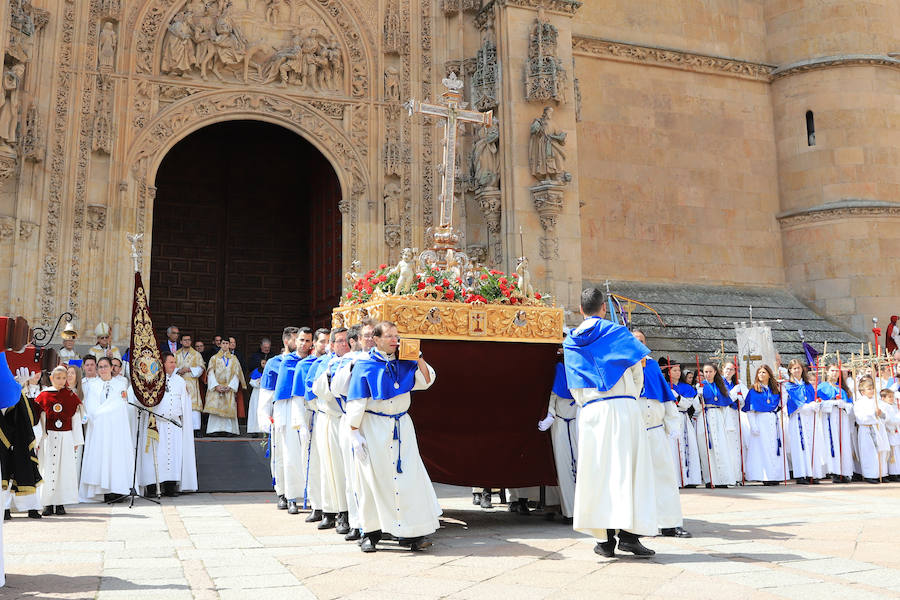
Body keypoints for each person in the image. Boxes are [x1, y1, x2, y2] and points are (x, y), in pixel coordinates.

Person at [563, 288, 656, 558]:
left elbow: (574, 386)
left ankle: (604, 542)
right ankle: (629, 536)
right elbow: (637, 372)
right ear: (604, 307)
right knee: (631, 471)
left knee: (598, 473)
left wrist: (591, 403)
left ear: (581, 310)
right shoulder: (618, 333)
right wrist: (628, 398)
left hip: (593, 411)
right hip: (625, 407)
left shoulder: (571, 341)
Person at [346, 321, 438, 553]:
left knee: (408, 480)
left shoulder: (405, 362)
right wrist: (354, 433)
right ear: (376, 340)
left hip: (401, 427)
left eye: (396, 336)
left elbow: (426, 381)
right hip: (374, 427)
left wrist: (418, 357)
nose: (394, 340)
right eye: (389, 336)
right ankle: (371, 533)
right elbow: (356, 401)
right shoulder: (363, 365)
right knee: (372, 481)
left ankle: (411, 533)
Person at [633, 332, 689, 538]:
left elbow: (665, 396)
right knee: (636, 479)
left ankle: (670, 523)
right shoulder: (623, 364)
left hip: (655, 430)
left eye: (642, 341)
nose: (638, 343)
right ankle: (636, 526)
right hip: (635, 432)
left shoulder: (653, 366)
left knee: (664, 477)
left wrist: (673, 424)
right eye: (634, 341)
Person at [330, 320, 376, 541]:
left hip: (377, 422)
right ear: (356, 340)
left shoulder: (381, 358)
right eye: (365, 336)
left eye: (372, 335)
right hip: (352, 420)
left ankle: (376, 523)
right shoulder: (348, 360)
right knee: (352, 474)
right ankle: (357, 523)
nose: (369, 339)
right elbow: (336, 389)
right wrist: (351, 367)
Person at [138, 353, 197, 497]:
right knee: (155, 456)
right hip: (157, 424)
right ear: (162, 364)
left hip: (174, 424)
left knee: (173, 455)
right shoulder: (153, 380)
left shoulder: (180, 381)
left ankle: (170, 487)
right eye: (170, 362)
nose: (173, 364)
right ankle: (152, 487)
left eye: (174, 362)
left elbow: (184, 401)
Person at [311, 327, 352, 533]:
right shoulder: (326, 363)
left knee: (347, 470)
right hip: (329, 418)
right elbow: (317, 390)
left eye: (347, 341)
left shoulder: (356, 360)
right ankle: (330, 511)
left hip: (349, 420)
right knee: (329, 468)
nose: (343, 345)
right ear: (332, 345)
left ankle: (347, 513)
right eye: (339, 341)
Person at [79, 357, 136, 502]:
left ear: (112, 368)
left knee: (116, 458)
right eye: (100, 367)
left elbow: (120, 404)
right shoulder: (93, 385)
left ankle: (118, 489)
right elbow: (90, 406)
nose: (103, 369)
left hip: (116, 428)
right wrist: (97, 416)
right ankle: (102, 491)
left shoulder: (121, 383)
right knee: (101, 458)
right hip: (99, 427)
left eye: (105, 366)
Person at [35, 366, 84, 515]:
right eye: (58, 378)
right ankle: (47, 504)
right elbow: (40, 419)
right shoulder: (44, 395)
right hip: (49, 437)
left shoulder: (70, 395)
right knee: (47, 469)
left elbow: (76, 419)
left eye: (64, 378)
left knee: (64, 470)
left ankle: (61, 503)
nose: (61, 381)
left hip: (66, 437)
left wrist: (76, 441)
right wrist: (39, 438)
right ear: (51, 378)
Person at [294, 328, 329, 522]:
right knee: (312, 462)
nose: (325, 345)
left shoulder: (334, 362)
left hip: (330, 416)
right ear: (314, 344)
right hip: (311, 415)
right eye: (321, 341)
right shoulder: (304, 365)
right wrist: (301, 424)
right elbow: (299, 397)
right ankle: (316, 505)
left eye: (327, 341)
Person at [257, 328, 293, 511]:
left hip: (302, 413)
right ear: (287, 341)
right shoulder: (274, 363)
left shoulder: (308, 361)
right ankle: (282, 492)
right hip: (281, 412)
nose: (303, 344)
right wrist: (265, 418)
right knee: (281, 455)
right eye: (298, 340)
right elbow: (266, 392)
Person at [273, 327, 309, 515]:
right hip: (288, 412)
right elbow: (279, 392)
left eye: (306, 340)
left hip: (310, 409)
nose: (303, 344)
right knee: (289, 456)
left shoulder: (313, 361)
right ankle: (289, 495)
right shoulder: (286, 362)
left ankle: (310, 495)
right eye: (300, 340)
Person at [537, 359, 578, 520]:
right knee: (563, 466)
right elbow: (552, 396)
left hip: (579, 420)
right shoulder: (558, 368)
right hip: (560, 421)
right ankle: (570, 511)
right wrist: (550, 414)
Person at [1, 368, 43, 520]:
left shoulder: (23, 394)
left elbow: (29, 419)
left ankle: (32, 507)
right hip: (5, 438)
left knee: (28, 470)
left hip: (23, 440)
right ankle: (5, 508)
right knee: (5, 473)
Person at [742, 365, 787, 485]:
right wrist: (753, 426)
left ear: (769, 374)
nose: (761, 375)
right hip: (760, 421)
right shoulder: (754, 390)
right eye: (759, 372)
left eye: (764, 372)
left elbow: (781, 404)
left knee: (774, 448)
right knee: (763, 449)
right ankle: (766, 476)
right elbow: (750, 410)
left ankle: (776, 475)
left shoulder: (774, 389)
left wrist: (783, 388)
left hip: (773, 419)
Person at [660, 358, 702, 488]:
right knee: (672, 448)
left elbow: (688, 405)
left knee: (687, 447)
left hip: (682, 418)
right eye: (674, 370)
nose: (678, 373)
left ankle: (689, 479)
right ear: (668, 372)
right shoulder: (663, 386)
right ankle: (675, 479)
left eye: (679, 370)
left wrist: (677, 398)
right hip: (668, 419)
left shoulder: (686, 387)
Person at [696, 363, 738, 488]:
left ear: (715, 372)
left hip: (719, 417)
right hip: (706, 416)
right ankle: (710, 479)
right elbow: (696, 406)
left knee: (721, 448)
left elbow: (725, 405)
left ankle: (723, 478)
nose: (708, 374)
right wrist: (699, 396)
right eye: (705, 372)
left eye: (710, 371)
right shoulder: (701, 385)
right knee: (707, 449)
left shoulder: (721, 386)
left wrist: (727, 424)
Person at [783, 360, 825, 484]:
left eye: (799, 368)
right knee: (799, 446)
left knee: (812, 444)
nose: (797, 370)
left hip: (810, 418)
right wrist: (805, 407)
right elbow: (791, 403)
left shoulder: (807, 385)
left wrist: (816, 405)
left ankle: (812, 473)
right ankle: (801, 474)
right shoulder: (788, 386)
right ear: (790, 370)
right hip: (798, 417)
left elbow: (814, 399)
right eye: (794, 368)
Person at [817, 362, 854, 483]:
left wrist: (845, 405)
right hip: (830, 418)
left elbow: (850, 404)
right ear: (827, 372)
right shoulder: (822, 387)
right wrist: (832, 403)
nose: (834, 373)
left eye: (836, 371)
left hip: (842, 419)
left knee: (844, 444)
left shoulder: (842, 388)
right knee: (832, 443)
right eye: (832, 370)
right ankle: (835, 471)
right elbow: (819, 403)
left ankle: (845, 471)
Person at [853, 377, 890, 483]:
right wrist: (874, 414)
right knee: (869, 453)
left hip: (877, 429)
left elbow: (885, 415)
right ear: (862, 391)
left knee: (880, 452)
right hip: (866, 430)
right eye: (869, 388)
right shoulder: (859, 403)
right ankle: (870, 474)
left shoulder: (877, 401)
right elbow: (860, 417)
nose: (872, 390)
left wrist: (881, 414)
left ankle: (881, 473)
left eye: (872, 388)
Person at [203, 337, 241, 435]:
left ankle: (229, 430)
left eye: (226, 343)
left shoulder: (234, 359)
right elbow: (210, 373)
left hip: (228, 387)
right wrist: (216, 386)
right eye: (223, 343)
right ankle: (214, 430)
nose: (225, 345)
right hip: (217, 387)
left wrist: (230, 386)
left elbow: (237, 374)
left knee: (228, 409)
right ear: (220, 344)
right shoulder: (214, 358)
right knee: (216, 409)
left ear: (229, 345)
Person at [175, 333, 205, 435]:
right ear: (181, 342)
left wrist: (188, 369)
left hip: (191, 383)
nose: (187, 342)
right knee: (179, 404)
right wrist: (179, 370)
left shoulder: (196, 354)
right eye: (185, 340)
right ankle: (180, 427)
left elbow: (201, 368)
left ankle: (195, 429)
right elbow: (170, 367)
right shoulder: (175, 354)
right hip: (179, 382)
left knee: (193, 406)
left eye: (188, 340)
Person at [246, 359, 265, 436]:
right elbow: (252, 382)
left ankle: (265, 430)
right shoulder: (256, 371)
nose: (264, 365)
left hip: (266, 393)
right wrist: (258, 382)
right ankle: (254, 430)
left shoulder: (269, 370)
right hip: (256, 393)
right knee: (255, 411)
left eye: (266, 363)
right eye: (263, 363)